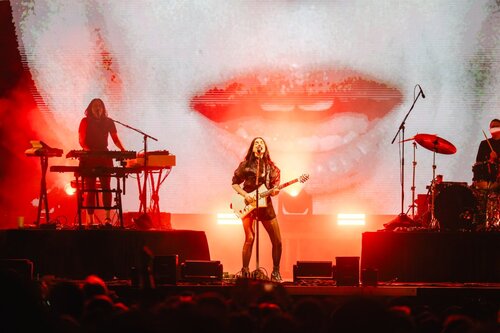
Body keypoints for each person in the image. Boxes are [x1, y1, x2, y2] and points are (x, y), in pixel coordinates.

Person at [232, 137, 283, 282]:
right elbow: (234, 184)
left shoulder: (272, 168)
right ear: (252, 148)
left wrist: (275, 191)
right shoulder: (245, 165)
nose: (259, 144)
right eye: (256, 143)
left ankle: (275, 272)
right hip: (248, 205)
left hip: (265, 205)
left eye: (261, 143)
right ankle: (245, 271)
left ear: (265, 148)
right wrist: (245, 195)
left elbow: (275, 188)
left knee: (277, 241)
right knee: (249, 238)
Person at [78, 98, 125, 226]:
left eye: (100, 105)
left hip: (105, 156)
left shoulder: (109, 122)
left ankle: (108, 218)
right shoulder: (85, 121)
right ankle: (90, 219)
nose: (97, 107)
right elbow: (81, 140)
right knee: (90, 188)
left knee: (107, 188)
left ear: (103, 108)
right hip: (90, 158)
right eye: (95, 106)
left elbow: (115, 139)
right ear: (90, 109)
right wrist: (89, 151)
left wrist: (123, 150)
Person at [473, 119, 500, 189]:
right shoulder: (484, 144)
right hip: (486, 178)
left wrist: (497, 158)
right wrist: (490, 159)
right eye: (492, 127)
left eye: (496, 126)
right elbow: (478, 162)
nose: (493, 128)